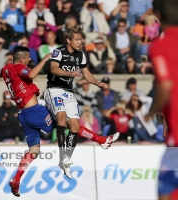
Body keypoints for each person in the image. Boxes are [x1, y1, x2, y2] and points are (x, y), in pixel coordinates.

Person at [44, 24, 119, 179]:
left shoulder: (81, 54)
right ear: (68, 40)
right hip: (54, 90)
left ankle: (66, 160)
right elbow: (53, 69)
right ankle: (62, 155)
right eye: (77, 39)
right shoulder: (59, 51)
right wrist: (69, 72)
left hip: (69, 92)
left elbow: (86, 73)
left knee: (75, 126)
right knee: (62, 117)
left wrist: (98, 83)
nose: (80, 42)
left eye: (81, 39)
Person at [0, 46, 53, 197]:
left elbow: (0, 73)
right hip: (34, 111)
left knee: (34, 151)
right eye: (28, 58)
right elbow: (31, 75)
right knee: (66, 120)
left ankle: (16, 179)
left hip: (23, 114)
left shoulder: (6, 69)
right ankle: (100, 139)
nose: (30, 60)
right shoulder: (18, 68)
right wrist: (44, 59)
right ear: (22, 59)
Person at [144, 0, 178, 199]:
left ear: (157, 14)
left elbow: (165, 87)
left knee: (164, 192)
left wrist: (150, 113)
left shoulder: (160, 46)